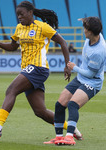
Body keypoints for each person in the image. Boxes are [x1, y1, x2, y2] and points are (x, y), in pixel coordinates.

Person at [0, 1, 81, 139]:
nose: (19, 17)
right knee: (40, 111)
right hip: (29, 70)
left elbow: (63, 42)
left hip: (38, 68)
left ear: (30, 13)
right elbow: (13, 47)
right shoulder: (19, 28)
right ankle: (70, 128)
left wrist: (67, 64)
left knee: (11, 90)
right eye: (17, 15)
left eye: (22, 14)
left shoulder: (42, 27)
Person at [44, 17, 106, 145]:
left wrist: (74, 68)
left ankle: (70, 137)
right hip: (81, 78)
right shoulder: (92, 37)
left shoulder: (99, 51)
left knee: (72, 104)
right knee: (59, 104)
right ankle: (59, 137)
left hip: (92, 82)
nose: (83, 31)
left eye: (85, 28)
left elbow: (90, 74)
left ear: (91, 31)